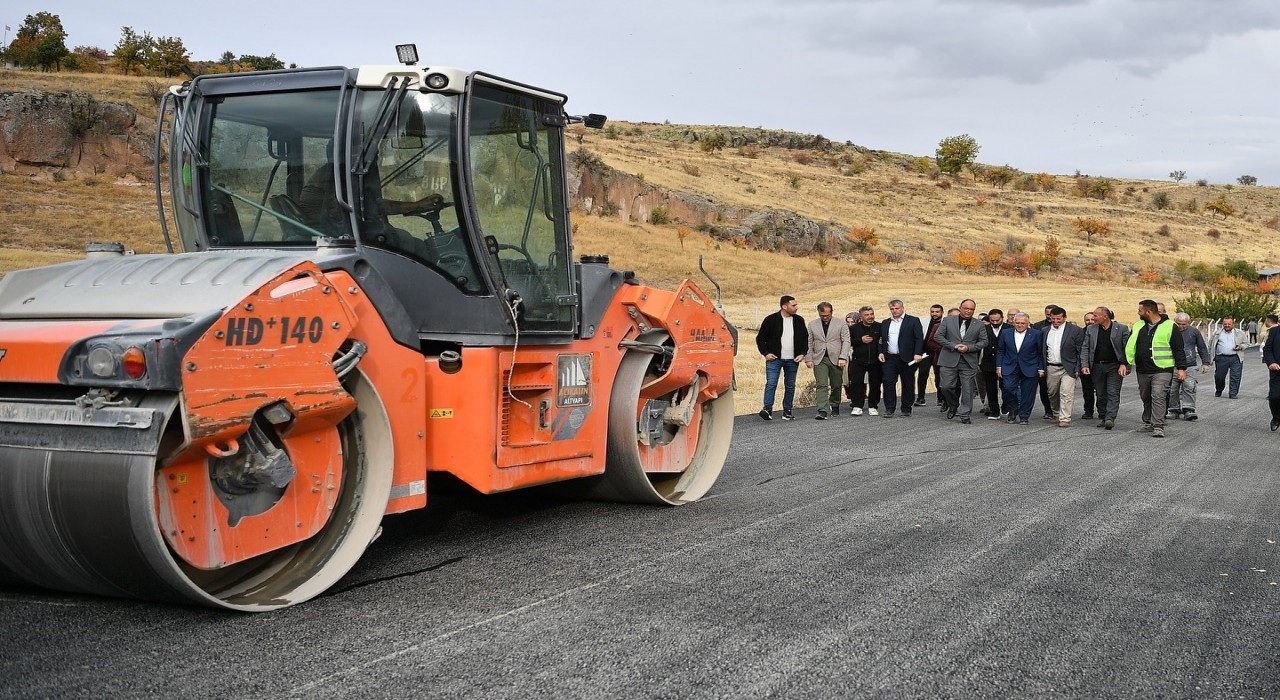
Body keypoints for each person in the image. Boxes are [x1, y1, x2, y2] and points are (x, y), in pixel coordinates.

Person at [1125, 299, 1187, 438]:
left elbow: (1178, 349)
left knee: (1158, 395)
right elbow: (1130, 346)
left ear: (1148, 312)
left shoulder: (1170, 326)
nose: (1138, 313)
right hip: (1142, 369)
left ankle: (1158, 425)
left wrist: (1181, 368)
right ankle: (1148, 422)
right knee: (1145, 396)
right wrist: (1126, 363)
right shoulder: (1138, 325)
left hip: (1162, 369)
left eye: (1140, 310)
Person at [934, 298, 988, 424]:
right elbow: (938, 336)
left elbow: (984, 341)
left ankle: (965, 414)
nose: (968, 311)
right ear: (960, 308)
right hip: (949, 358)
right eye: (966, 308)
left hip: (968, 360)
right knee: (946, 386)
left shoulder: (978, 324)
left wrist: (969, 348)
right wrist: (953, 346)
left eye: (971, 309)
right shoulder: (948, 321)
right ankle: (953, 405)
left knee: (968, 389)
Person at [755, 295, 807, 421]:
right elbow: (760, 338)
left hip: (793, 359)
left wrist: (802, 353)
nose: (796, 307)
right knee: (771, 383)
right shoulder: (771, 320)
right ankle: (767, 409)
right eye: (793, 305)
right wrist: (766, 353)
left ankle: (787, 411)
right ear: (784, 306)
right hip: (775, 359)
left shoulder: (799, 320)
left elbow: (806, 339)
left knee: (790, 385)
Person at [1079, 306, 1130, 430]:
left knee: (1113, 392)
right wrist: (1085, 364)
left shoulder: (1121, 329)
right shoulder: (1091, 330)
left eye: (1096, 316)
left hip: (1115, 366)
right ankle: (1103, 416)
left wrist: (1125, 364)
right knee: (1101, 394)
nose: (1093, 318)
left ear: (1105, 317)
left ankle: (1110, 418)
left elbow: (1127, 348)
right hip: (1097, 366)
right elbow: (1085, 348)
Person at [878, 299, 925, 418]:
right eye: (892, 309)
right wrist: (881, 352)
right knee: (888, 382)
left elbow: (919, 338)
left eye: (896, 308)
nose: (894, 311)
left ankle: (906, 408)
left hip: (907, 358)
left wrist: (918, 353)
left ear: (902, 308)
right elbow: (881, 340)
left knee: (907, 383)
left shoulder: (913, 321)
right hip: (890, 358)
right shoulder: (885, 322)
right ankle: (889, 408)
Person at [996, 312, 1044, 424]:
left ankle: (1024, 415)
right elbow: (1000, 351)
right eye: (1017, 323)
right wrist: (999, 366)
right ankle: (1013, 410)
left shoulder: (1036, 334)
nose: (1020, 325)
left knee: (1028, 393)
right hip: (1009, 366)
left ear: (1028, 323)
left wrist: (1041, 368)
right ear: (1013, 322)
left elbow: (1040, 353)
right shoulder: (1006, 333)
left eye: (1023, 323)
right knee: (1007, 388)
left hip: (1030, 366)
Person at [1041, 305, 1084, 427]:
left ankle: (1065, 418)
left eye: (1058, 319)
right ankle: (1056, 412)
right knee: (1052, 392)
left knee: (1066, 392)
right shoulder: (1045, 331)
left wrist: (1078, 368)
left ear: (1065, 318)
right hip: (1051, 367)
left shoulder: (1075, 330)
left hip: (1068, 367)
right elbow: (1042, 351)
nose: (1055, 321)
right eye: (1053, 318)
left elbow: (1080, 351)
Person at [805, 302, 850, 420]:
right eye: (822, 315)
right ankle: (822, 410)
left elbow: (846, 341)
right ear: (819, 313)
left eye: (827, 315)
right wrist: (808, 358)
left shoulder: (841, 324)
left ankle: (835, 405)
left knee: (836, 384)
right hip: (819, 359)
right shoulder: (812, 325)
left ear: (831, 312)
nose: (825, 317)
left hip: (836, 358)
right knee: (821, 385)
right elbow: (809, 342)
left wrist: (843, 357)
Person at [1166, 312, 1211, 421]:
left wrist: (1205, 363)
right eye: (1179, 324)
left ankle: (1188, 409)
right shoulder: (1169, 331)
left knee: (1189, 387)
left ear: (1188, 323)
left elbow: (1202, 347)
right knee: (1172, 389)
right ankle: (1173, 409)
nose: (1181, 326)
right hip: (1172, 365)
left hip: (1190, 365)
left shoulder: (1194, 332)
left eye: (1184, 324)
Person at [846, 306, 883, 416]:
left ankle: (873, 406)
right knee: (856, 384)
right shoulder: (854, 328)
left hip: (875, 361)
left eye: (871, 314)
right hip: (858, 360)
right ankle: (857, 406)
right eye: (867, 315)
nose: (870, 317)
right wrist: (860, 340)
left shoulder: (880, 327)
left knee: (875, 384)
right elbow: (848, 342)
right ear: (861, 316)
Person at [1207, 316, 1249, 399]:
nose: (1227, 325)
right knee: (1219, 377)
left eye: (1229, 324)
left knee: (1236, 376)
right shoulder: (1216, 333)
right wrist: (1210, 357)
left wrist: (1240, 346)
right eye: (1225, 324)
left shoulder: (1240, 333)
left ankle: (1233, 393)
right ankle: (1219, 389)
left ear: (1233, 324)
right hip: (1221, 358)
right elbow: (1210, 345)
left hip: (1236, 357)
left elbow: (1246, 343)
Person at [979, 309, 1009, 419]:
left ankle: (1006, 405)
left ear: (1002, 318)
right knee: (991, 388)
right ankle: (994, 410)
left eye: (998, 320)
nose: (995, 323)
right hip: (988, 363)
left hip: (1005, 363)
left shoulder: (1009, 329)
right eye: (993, 320)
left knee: (1006, 387)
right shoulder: (983, 329)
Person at [1030, 305, 1055, 419]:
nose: (1050, 316)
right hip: (1042, 361)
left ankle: (1057, 409)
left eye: (1052, 314)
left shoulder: (1064, 326)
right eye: (1047, 314)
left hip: (1057, 361)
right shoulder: (1037, 326)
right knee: (1044, 388)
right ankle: (1048, 410)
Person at [919, 304, 945, 408]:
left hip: (939, 353)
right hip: (925, 353)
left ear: (942, 312)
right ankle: (920, 398)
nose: (934, 314)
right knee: (922, 374)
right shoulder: (924, 322)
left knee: (939, 375)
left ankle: (940, 398)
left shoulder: (945, 323)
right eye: (932, 312)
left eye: (937, 312)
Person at [1078, 311, 1099, 420]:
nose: (1090, 322)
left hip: (1098, 366)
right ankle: (1088, 411)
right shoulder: (1080, 333)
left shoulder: (1100, 331)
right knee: (1087, 391)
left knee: (1101, 391)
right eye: (1087, 320)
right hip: (1085, 366)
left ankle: (1102, 411)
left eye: (1092, 319)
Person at [1262, 314, 1280, 431]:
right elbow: (1267, 349)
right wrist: (1271, 362)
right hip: (1277, 370)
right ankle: (1276, 417)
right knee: (1274, 397)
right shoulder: (1274, 332)